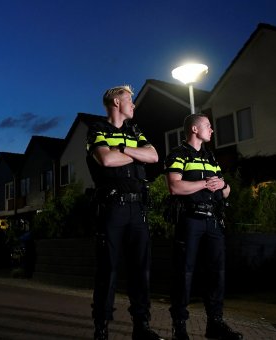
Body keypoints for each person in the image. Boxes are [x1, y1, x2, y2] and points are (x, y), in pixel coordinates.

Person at [86, 85, 162, 340]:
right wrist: (134, 154)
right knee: (108, 270)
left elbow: (153, 156)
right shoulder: (97, 129)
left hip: (137, 210)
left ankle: (141, 326)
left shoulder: (134, 130)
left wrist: (123, 150)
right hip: (112, 209)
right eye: (130, 99)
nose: (133, 104)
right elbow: (106, 160)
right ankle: (102, 329)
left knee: (141, 270)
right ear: (117, 102)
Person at [164, 113, 242, 340]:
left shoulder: (211, 158)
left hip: (213, 222)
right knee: (184, 274)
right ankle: (180, 327)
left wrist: (223, 184)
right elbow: (175, 187)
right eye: (208, 126)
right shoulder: (178, 154)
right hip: (190, 222)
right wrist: (206, 183)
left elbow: (225, 191)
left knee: (217, 274)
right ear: (195, 130)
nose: (212, 130)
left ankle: (215, 324)